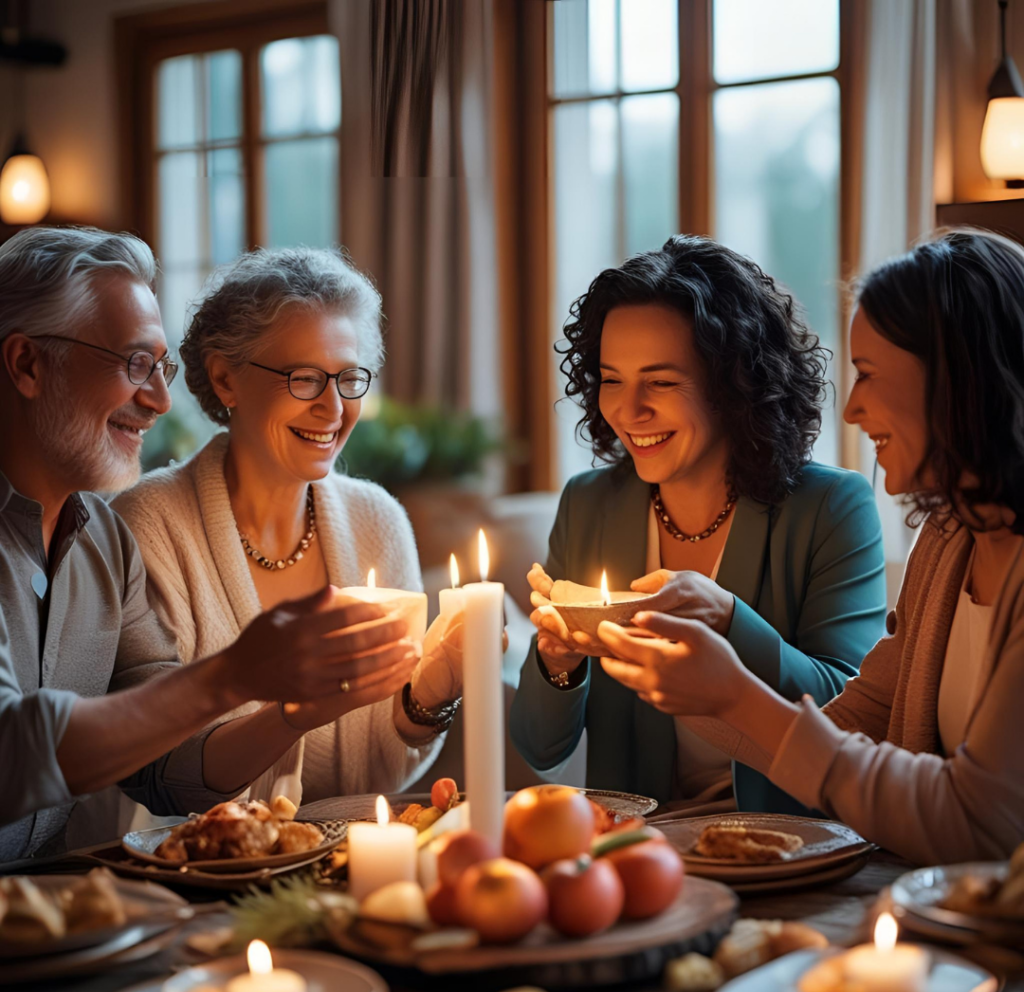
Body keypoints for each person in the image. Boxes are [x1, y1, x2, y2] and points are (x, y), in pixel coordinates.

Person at [598, 228, 1024, 864]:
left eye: (869, 374)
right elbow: (858, 721)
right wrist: (707, 690)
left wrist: (736, 692)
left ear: (957, 381)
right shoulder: (948, 537)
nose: (851, 409)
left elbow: (980, 818)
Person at [0, 227, 413, 862]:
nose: (161, 399)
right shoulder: (140, 522)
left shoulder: (105, 544)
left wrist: (293, 713)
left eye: (160, 368)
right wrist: (233, 673)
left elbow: (164, 768)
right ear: (27, 364)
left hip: (66, 921)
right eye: (134, 364)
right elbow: (10, 749)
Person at [510, 235, 886, 813]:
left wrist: (731, 620)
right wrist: (557, 664)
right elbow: (540, 745)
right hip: (641, 853)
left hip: (789, 844)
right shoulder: (589, 504)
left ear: (734, 385)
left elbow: (854, 714)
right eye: (612, 378)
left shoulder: (832, 506)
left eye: (660, 381)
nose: (628, 410)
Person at [113, 248, 462, 810]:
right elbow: (161, 776)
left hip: (345, 870)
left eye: (348, 378)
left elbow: (386, 770)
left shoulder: (378, 521)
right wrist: (291, 717)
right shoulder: (149, 525)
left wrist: (430, 699)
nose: (333, 408)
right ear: (226, 379)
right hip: (192, 880)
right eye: (304, 378)